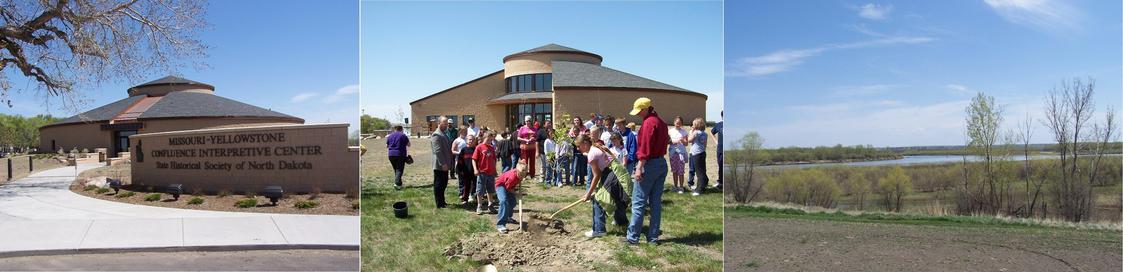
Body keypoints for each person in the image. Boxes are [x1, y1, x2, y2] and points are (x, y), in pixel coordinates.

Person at [626, 97, 669, 245]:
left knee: (638, 202)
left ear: (646, 109)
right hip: (661, 163)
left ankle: (633, 238)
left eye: (639, 111)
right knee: (656, 203)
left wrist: (639, 167)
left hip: (648, 164)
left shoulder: (648, 123)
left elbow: (645, 147)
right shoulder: (662, 123)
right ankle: (653, 238)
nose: (637, 114)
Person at [576, 134, 628, 238]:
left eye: (579, 146)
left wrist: (589, 194)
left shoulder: (592, 154)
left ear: (585, 143)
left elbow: (596, 175)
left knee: (598, 200)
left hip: (611, 175)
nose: (578, 148)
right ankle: (623, 225)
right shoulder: (595, 147)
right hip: (614, 174)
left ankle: (599, 230)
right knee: (617, 201)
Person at [495, 163, 528, 234]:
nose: (522, 177)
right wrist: (517, 194)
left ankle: (508, 217)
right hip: (501, 185)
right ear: (517, 171)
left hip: (510, 186)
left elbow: (523, 162)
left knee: (512, 202)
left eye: (524, 175)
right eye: (521, 175)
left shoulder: (522, 171)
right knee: (504, 201)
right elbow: (508, 188)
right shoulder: (512, 177)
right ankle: (501, 224)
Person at [430, 116, 454, 209]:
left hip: (445, 164)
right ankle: (439, 204)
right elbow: (438, 151)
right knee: (439, 184)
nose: (446, 125)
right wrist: (443, 164)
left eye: (447, 123)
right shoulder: (436, 134)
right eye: (444, 123)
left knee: (443, 183)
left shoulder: (443, 133)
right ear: (439, 123)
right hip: (440, 165)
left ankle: (442, 202)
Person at [473, 131, 498, 215]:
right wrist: (475, 169)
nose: (489, 141)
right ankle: (479, 206)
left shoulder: (491, 148)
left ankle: (490, 205)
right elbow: (474, 159)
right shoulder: (479, 147)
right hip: (482, 172)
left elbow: (494, 160)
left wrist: (495, 170)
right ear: (484, 138)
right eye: (488, 139)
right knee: (480, 190)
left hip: (491, 173)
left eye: (491, 140)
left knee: (490, 190)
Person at [688, 118, 710, 196]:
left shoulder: (696, 132)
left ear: (696, 125)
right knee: (702, 170)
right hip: (702, 152)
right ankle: (704, 184)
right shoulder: (705, 134)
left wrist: (691, 132)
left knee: (699, 172)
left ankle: (699, 189)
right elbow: (705, 144)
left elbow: (689, 140)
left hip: (696, 154)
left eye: (693, 124)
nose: (692, 126)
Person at [668, 116, 688, 193]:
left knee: (681, 171)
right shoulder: (670, 131)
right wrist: (673, 142)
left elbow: (686, 144)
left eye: (679, 123)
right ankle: (675, 186)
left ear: (682, 124)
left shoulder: (684, 132)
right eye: (677, 123)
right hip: (673, 153)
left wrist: (682, 140)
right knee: (674, 170)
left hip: (681, 153)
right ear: (674, 123)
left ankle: (681, 187)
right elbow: (668, 141)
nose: (678, 124)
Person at [386, 125, 410, 189]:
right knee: (399, 169)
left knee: (396, 170)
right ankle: (396, 184)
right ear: (401, 129)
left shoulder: (390, 136)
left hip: (391, 155)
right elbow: (409, 144)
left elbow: (387, 146)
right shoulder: (403, 135)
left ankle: (399, 184)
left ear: (395, 129)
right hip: (400, 154)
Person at [457, 135, 478, 205]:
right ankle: (465, 199)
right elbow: (460, 161)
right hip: (466, 172)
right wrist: (460, 170)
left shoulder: (476, 150)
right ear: (466, 141)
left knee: (475, 185)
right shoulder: (463, 150)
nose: (471, 141)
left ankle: (474, 197)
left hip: (474, 171)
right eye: (469, 139)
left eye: (472, 140)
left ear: (475, 141)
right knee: (466, 186)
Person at [451, 128, 470, 202]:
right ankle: (462, 193)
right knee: (461, 178)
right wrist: (460, 153)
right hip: (460, 161)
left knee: (468, 178)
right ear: (460, 132)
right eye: (463, 131)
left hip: (468, 161)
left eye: (466, 131)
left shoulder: (468, 139)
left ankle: (467, 194)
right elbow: (452, 150)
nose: (465, 133)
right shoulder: (457, 140)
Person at [570, 117, 589, 186]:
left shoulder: (580, 137)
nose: (575, 133)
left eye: (576, 132)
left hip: (582, 154)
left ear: (579, 132)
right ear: (573, 132)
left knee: (582, 168)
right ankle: (574, 182)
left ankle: (581, 181)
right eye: (574, 132)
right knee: (575, 168)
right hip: (575, 154)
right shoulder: (572, 138)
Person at [712, 111, 723, 189]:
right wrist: (715, 141)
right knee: (720, 165)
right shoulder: (719, 125)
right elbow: (711, 132)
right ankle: (720, 182)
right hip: (720, 148)